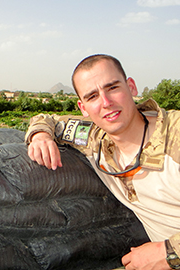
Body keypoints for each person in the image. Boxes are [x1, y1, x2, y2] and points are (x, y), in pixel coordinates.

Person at [25, 54, 180, 270]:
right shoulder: (95, 139)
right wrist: (40, 135)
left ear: (131, 87)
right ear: (83, 107)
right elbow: (47, 119)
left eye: (113, 88)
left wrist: (169, 252)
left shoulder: (175, 135)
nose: (106, 103)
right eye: (92, 96)